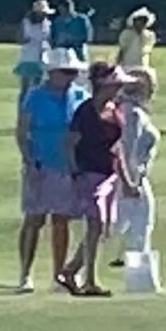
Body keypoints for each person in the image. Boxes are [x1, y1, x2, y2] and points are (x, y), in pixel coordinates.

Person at [15, 52, 86, 295]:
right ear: (53, 73)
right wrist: (28, 160)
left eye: (73, 73)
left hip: (66, 166)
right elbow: (22, 131)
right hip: (39, 163)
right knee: (34, 220)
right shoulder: (35, 96)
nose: (71, 77)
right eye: (66, 72)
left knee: (61, 220)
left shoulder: (79, 95)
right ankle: (25, 273)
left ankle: (58, 275)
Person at [63, 61, 126, 297]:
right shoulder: (86, 111)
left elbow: (118, 144)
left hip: (108, 176)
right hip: (88, 173)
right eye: (114, 84)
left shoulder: (114, 109)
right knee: (95, 224)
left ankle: (71, 270)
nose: (118, 88)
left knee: (101, 228)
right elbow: (70, 143)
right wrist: (74, 171)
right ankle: (89, 280)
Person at [116, 67, 161, 272]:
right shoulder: (132, 113)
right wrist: (131, 181)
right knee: (139, 225)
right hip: (131, 179)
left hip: (132, 177)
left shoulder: (133, 111)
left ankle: (139, 270)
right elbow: (128, 147)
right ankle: (139, 274)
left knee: (130, 225)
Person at [13, 0, 52, 96]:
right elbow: (19, 39)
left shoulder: (47, 24)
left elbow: (50, 39)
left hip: (42, 58)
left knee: (38, 87)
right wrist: (28, 40)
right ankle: (23, 108)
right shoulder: (26, 23)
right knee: (25, 88)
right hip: (28, 57)